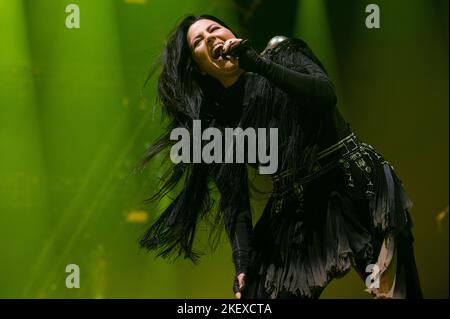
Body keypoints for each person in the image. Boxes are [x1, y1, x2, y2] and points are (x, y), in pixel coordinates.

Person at [138, 14, 423, 299]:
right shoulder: (220, 126)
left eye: (214, 29)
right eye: (198, 41)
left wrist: (259, 65)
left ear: (232, 34)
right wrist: (242, 264)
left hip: (350, 183)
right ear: (199, 68)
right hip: (295, 204)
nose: (210, 38)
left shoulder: (283, 53)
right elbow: (235, 203)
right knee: (255, 297)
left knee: (393, 292)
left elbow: (324, 95)